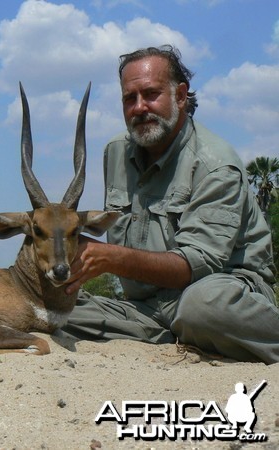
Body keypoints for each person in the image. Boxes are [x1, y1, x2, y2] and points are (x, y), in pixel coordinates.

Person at [62, 45, 279, 364]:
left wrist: (110, 257)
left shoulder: (215, 165)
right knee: (46, 303)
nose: (139, 108)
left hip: (221, 291)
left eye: (150, 94)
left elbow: (193, 265)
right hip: (144, 307)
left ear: (180, 96)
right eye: (129, 98)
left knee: (201, 308)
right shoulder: (115, 153)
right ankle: (170, 334)